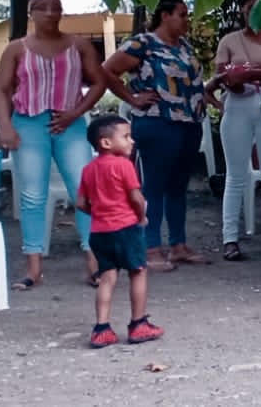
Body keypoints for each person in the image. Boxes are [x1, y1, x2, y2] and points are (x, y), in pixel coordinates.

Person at [0, 0, 110, 289]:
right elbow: (1, 89)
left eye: (55, 8)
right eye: (42, 8)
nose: (49, 13)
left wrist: (76, 112)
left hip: (69, 124)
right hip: (29, 122)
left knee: (85, 189)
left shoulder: (78, 45)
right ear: (31, 13)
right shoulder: (16, 49)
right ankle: (33, 268)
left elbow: (99, 81)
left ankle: (94, 261)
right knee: (32, 195)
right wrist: (5, 125)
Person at [103, 0, 208, 271]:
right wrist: (132, 98)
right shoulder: (142, 45)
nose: (187, 20)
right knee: (155, 186)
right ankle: (149, 247)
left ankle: (178, 245)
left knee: (177, 186)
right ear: (165, 15)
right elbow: (108, 71)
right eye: (182, 14)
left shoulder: (183, 46)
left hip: (188, 123)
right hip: (157, 122)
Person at [205, 0, 261, 262]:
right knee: (235, 175)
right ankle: (230, 239)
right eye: (248, 7)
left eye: (259, 6)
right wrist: (240, 79)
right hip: (237, 105)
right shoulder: (229, 40)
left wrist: (244, 72)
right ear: (241, 10)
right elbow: (221, 75)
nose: (253, 11)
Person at [78, 116, 163, 348]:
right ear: (105, 142)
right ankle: (138, 324)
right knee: (138, 271)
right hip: (125, 228)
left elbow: (81, 204)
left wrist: (99, 213)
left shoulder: (88, 169)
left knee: (107, 277)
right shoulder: (124, 165)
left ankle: (101, 328)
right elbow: (135, 196)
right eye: (125, 136)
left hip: (99, 232)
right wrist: (141, 216)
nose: (131, 141)